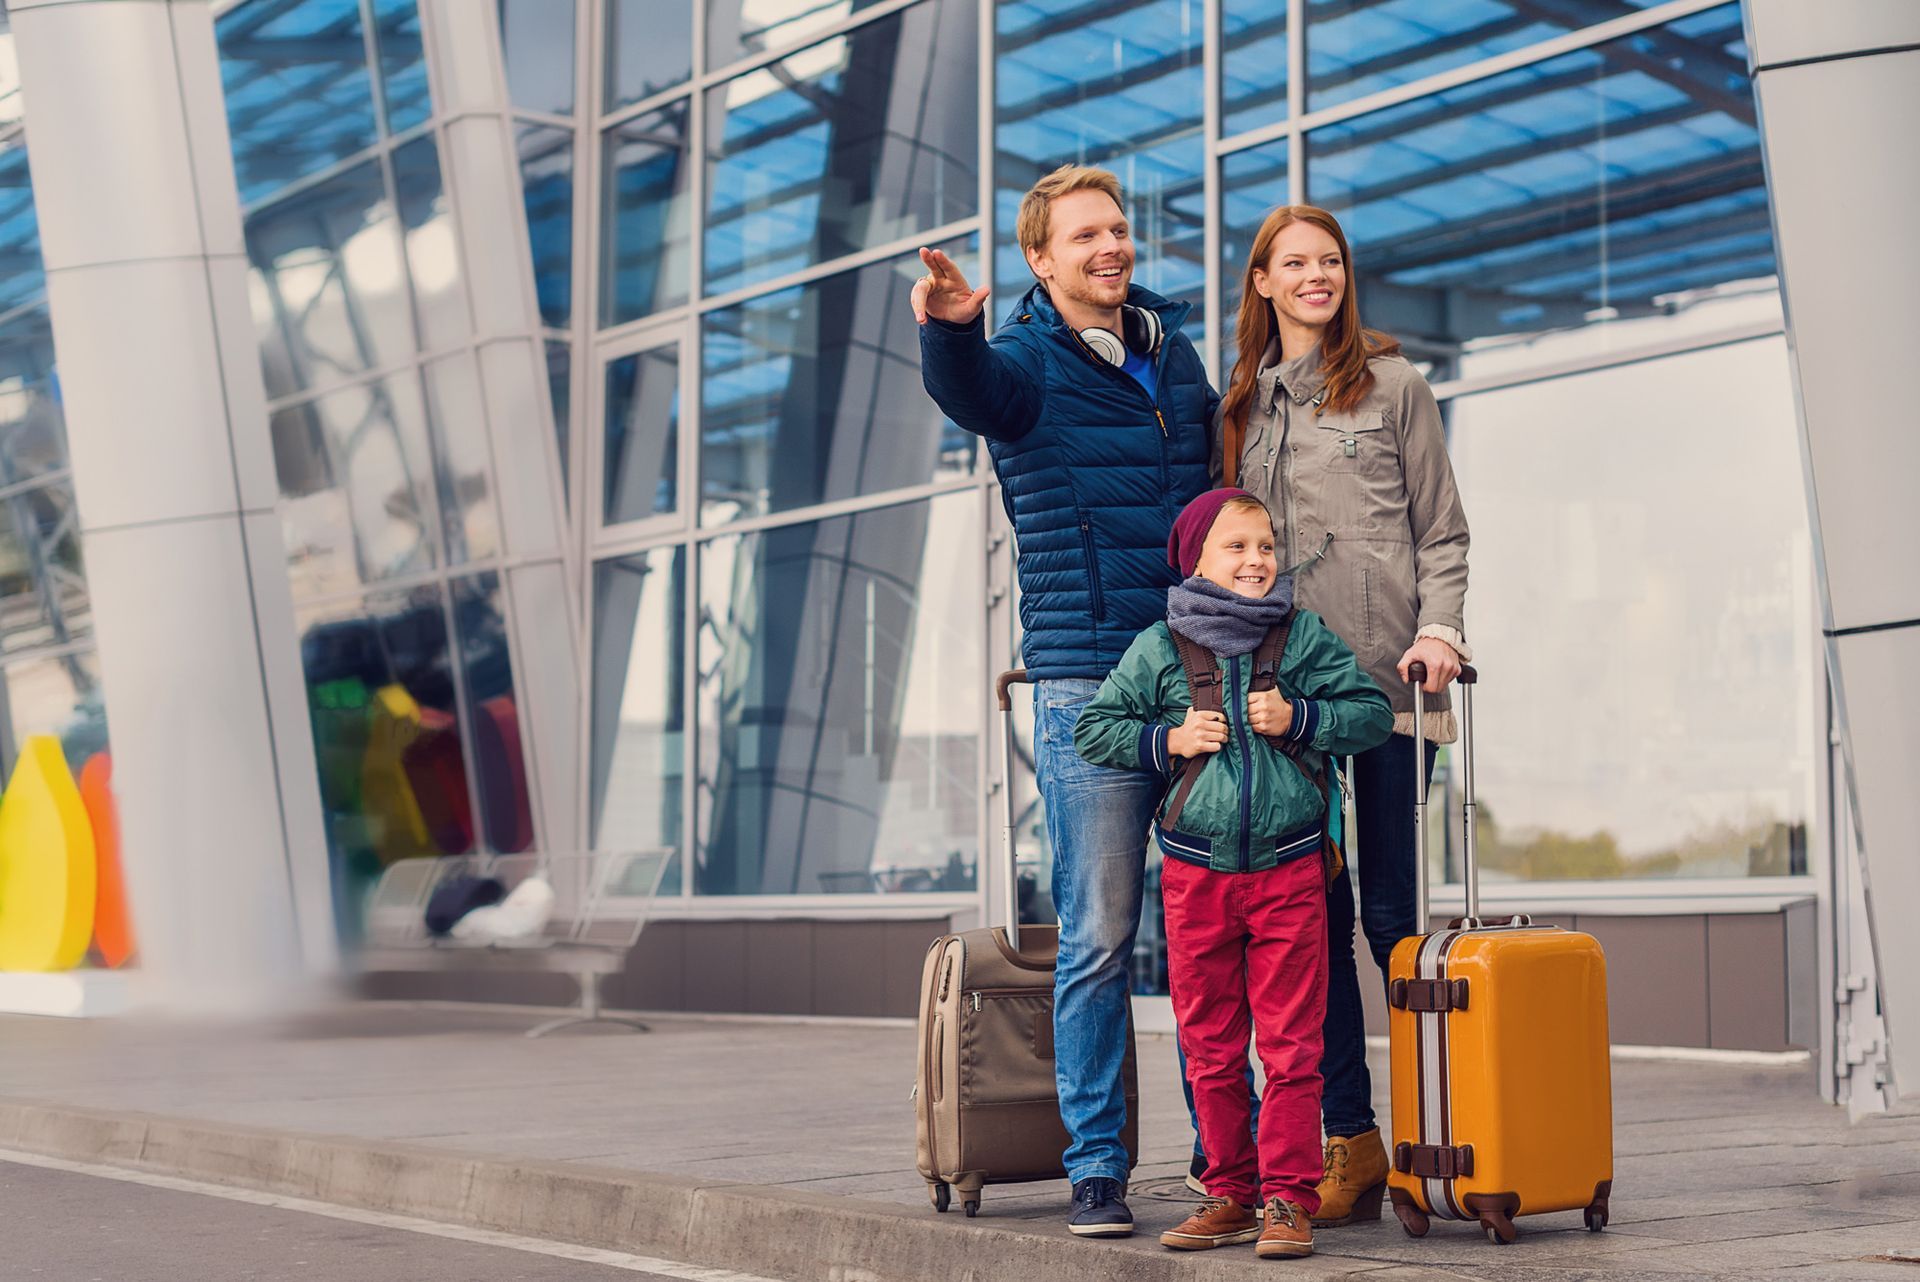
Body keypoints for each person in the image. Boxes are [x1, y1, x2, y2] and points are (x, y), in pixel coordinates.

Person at [913, 165, 1214, 1237]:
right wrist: (953, 329)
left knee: (1210, 927)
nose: (1111, 246)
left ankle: (1229, 1153)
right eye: (1086, 234)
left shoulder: (1174, 359)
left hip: (1197, 674)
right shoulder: (1028, 362)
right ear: (1043, 259)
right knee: (1097, 931)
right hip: (1088, 681)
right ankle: (1096, 1166)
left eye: (1120, 229)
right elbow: (973, 394)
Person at [1212, 205, 1472, 1227]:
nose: (1317, 275)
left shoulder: (1397, 388)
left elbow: (1443, 532)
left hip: (1394, 701)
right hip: (1288, 711)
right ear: (1264, 282)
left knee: (1393, 922)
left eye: (1331, 261)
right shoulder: (1243, 409)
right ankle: (1352, 1144)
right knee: (1306, 932)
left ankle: (1425, 1136)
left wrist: (1441, 631)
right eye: (1296, 263)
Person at [1073, 488, 1392, 1259]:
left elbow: (1372, 714)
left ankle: (1288, 1199)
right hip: (1196, 880)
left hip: (1289, 877)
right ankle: (1229, 1193)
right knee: (1209, 1045)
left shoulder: (1302, 636)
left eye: (1265, 546)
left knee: (1291, 1047)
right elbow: (1094, 727)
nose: (1257, 561)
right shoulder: (1160, 647)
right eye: (1236, 547)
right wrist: (1170, 738)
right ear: (1194, 562)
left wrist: (1303, 719)